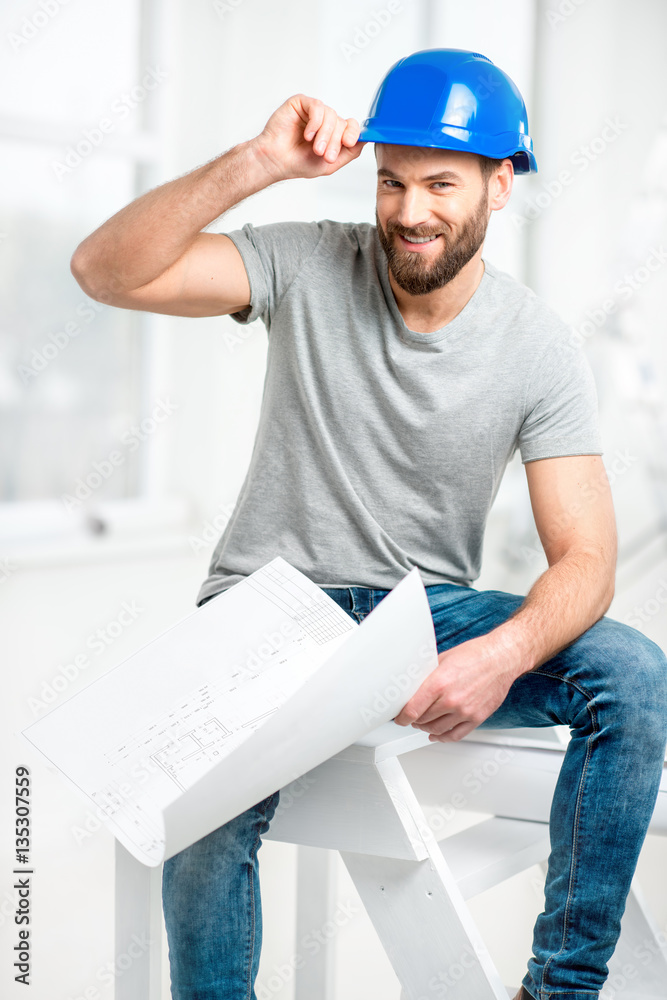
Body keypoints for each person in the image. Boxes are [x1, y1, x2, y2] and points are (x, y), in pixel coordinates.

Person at [71, 47, 667, 1000]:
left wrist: (501, 654)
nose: (409, 211)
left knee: (633, 674)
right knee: (202, 808)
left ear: (498, 186)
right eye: (391, 181)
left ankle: (559, 989)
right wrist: (256, 163)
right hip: (265, 607)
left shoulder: (538, 347)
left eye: (440, 183)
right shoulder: (306, 260)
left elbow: (587, 560)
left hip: (419, 617)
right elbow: (103, 271)